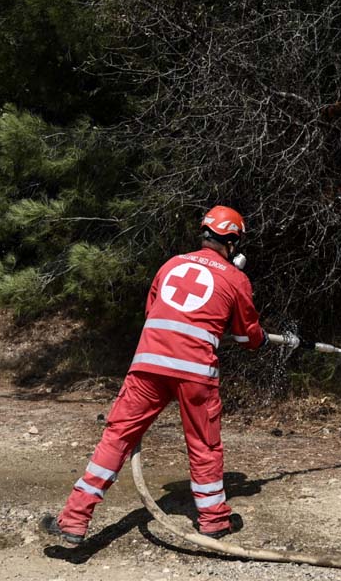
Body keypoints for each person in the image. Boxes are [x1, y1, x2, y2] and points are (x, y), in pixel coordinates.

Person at [41, 206, 274, 544]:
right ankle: (214, 522)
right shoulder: (235, 278)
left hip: (148, 366)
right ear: (233, 240)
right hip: (194, 373)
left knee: (117, 438)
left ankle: (73, 520)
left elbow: (155, 312)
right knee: (204, 445)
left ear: (206, 233)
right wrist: (259, 336)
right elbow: (246, 336)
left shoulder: (171, 265)